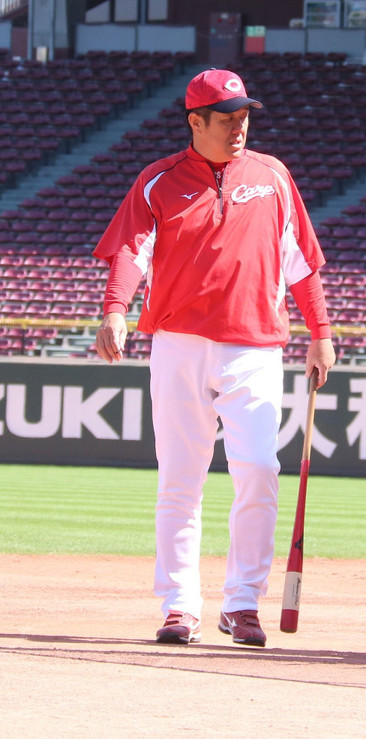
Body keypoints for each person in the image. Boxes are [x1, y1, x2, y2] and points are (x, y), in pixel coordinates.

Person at [93, 69, 336, 648]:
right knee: (180, 479)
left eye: (243, 115)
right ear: (195, 121)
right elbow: (131, 250)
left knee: (259, 470)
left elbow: (301, 261)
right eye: (226, 117)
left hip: (255, 346)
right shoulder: (158, 180)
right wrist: (114, 309)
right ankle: (180, 605)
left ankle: (242, 601)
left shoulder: (273, 176)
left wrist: (321, 331)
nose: (238, 126)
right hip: (178, 344)